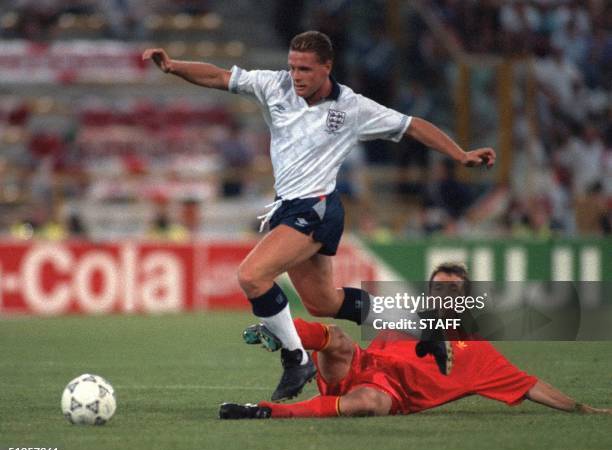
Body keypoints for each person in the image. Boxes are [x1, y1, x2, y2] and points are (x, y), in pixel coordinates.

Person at [143, 31, 496, 402]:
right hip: (289, 207)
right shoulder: (273, 85)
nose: (296, 75)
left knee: (252, 275)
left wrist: (460, 155)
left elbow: (412, 125)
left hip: (317, 207)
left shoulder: (352, 108)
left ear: (327, 67)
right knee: (323, 302)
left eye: (305, 69)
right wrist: (172, 67)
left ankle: (296, 359)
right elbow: (218, 76)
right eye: (293, 66)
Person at [219, 262, 612, 419]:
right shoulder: (407, 316)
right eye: (436, 288)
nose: (441, 295)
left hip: (390, 396)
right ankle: (285, 337)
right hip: (355, 367)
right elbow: (344, 308)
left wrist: (582, 408)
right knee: (337, 339)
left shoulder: (478, 353)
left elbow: (529, 385)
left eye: (451, 290)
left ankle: (267, 412)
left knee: (369, 402)